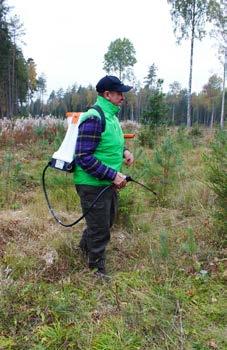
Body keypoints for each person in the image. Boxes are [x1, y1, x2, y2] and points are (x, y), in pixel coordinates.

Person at [74, 75, 134, 277]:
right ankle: (96, 270)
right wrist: (113, 175)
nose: (122, 98)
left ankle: (83, 250)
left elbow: (110, 141)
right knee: (100, 229)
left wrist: (124, 151)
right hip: (92, 183)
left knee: (105, 221)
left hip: (106, 181)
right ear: (107, 94)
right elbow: (83, 156)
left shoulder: (112, 117)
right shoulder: (93, 117)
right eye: (119, 93)